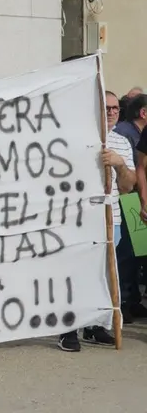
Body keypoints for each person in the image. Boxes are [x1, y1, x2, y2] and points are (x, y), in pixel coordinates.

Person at [58, 90, 134, 351]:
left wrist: (119, 165)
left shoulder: (122, 142)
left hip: (110, 221)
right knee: (76, 276)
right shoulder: (76, 139)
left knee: (104, 276)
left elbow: (127, 187)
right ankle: (68, 327)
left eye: (115, 108)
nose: (112, 112)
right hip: (79, 219)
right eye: (107, 107)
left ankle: (95, 326)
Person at [114, 93, 147, 323]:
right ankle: (125, 301)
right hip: (128, 202)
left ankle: (131, 300)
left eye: (115, 108)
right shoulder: (124, 134)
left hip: (133, 200)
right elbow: (139, 167)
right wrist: (144, 200)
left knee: (135, 256)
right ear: (143, 112)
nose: (112, 113)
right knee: (127, 254)